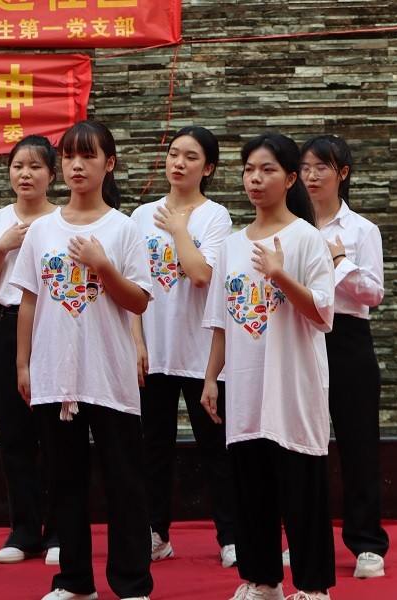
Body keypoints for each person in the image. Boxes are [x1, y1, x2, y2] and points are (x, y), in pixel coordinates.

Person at [10, 119, 154, 600]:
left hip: (108, 373)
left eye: (88, 156)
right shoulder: (42, 230)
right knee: (64, 482)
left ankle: (132, 583)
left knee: (124, 483)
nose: (77, 165)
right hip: (54, 372)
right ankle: (74, 581)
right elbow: (29, 300)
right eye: (69, 156)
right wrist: (23, 364)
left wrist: (103, 265)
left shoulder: (124, 228)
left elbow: (138, 301)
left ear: (108, 164)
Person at [200, 133, 336, 600]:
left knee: (302, 488)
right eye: (249, 170)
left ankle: (313, 588)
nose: (255, 179)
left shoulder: (307, 239)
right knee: (251, 487)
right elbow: (221, 320)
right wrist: (211, 378)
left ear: (290, 178)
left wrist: (280, 274)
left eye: (267, 170)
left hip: (294, 386)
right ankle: (262, 582)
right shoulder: (232, 245)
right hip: (245, 386)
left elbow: (322, 313)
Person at [129, 126, 236, 567]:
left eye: (191, 157)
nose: (179, 163)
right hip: (153, 350)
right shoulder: (140, 216)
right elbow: (133, 286)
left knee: (217, 448)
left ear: (208, 168)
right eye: (174, 154)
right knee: (153, 448)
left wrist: (178, 229)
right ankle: (156, 533)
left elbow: (201, 274)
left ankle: (231, 537)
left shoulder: (216, 217)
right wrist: (136, 342)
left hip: (201, 354)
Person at [0, 135, 59, 566]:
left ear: (51, 175)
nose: (25, 174)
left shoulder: (63, 219)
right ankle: (24, 530)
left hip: (54, 327)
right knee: (14, 433)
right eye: (18, 166)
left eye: (36, 166)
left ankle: (59, 530)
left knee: (56, 431)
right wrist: (2, 246)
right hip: (7, 327)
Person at [300, 134, 388, 578]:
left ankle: (367, 543)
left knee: (358, 443)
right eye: (304, 168)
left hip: (348, 337)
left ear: (343, 174)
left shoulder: (361, 230)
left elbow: (373, 293)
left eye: (322, 167)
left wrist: (339, 262)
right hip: (301, 336)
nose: (311, 176)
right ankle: (305, 540)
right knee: (301, 443)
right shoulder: (292, 225)